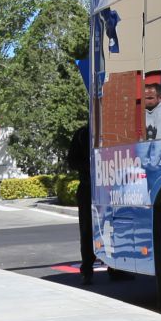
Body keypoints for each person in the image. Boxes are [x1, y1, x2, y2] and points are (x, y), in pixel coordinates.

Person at [64, 120, 95, 287]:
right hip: (88, 187)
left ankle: (116, 269)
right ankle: (87, 270)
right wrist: (88, 166)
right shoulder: (83, 134)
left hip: (109, 186)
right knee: (87, 230)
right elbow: (72, 161)